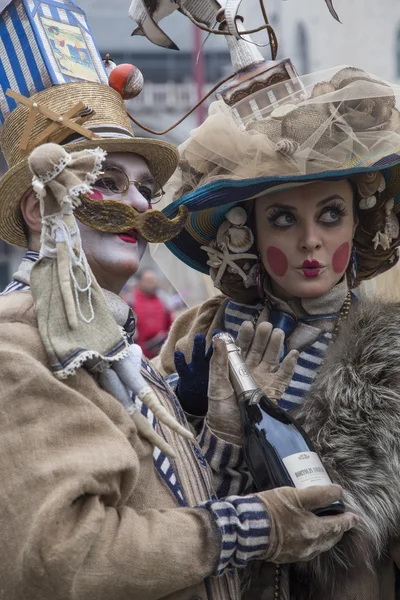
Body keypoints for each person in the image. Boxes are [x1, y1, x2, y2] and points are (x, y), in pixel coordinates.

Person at [0, 2, 356, 600]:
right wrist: (257, 526)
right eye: (107, 182)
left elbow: (171, 509)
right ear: (40, 208)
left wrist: (220, 429)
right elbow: (66, 559)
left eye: (143, 189)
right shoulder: (20, 347)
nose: (138, 207)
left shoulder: (112, 346)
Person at [156, 38, 400, 600]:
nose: (311, 242)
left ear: (357, 226)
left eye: (330, 215)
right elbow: (164, 507)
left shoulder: (388, 344)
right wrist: (198, 416)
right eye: (284, 219)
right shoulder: (200, 337)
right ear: (251, 233)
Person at [132, 268, 174, 358]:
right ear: (139, 282)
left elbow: (170, 325)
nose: (152, 284)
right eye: (148, 281)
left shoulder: (163, 300)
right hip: (139, 354)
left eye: (153, 281)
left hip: (160, 353)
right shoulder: (131, 301)